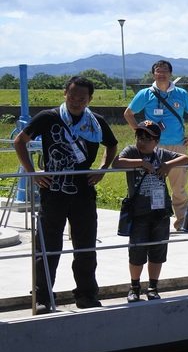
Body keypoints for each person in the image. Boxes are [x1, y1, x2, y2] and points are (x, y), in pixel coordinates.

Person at [14, 76, 118, 314]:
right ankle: (42, 297)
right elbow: (20, 141)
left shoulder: (96, 121)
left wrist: (102, 170)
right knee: (47, 246)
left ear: (89, 99)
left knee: (85, 246)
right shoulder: (48, 118)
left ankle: (86, 295)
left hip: (83, 191)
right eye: (72, 96)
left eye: (82, 98)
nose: (76, 102)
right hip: (53, 190)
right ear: (65, 94)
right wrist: (31, 173)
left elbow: (111, 145)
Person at [112, 121, 188, 303]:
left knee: (158, 251)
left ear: (156, 141)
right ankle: (134, 287)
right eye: (140, 136)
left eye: (148, 138)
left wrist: (168, 165)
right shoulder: (132, 152)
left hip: (160, 212)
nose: (142, 141)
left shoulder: (161, 154)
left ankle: (153, 287)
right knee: (137, 252)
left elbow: (186, 159)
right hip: (139, 213)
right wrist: (141, 163)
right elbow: (117, 162)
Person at [124, 60, 188, 231]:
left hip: (178, 145)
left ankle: (182, 222)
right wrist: (140, 132)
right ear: (153, 74)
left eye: (165, 70)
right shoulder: (145, 94)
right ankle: (151, 220)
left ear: (171, 74)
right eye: (158, 71)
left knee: (178, 187)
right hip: (152, 147)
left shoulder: (181, 93)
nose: (161, 73)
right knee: (150, 185)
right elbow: (128, 114)